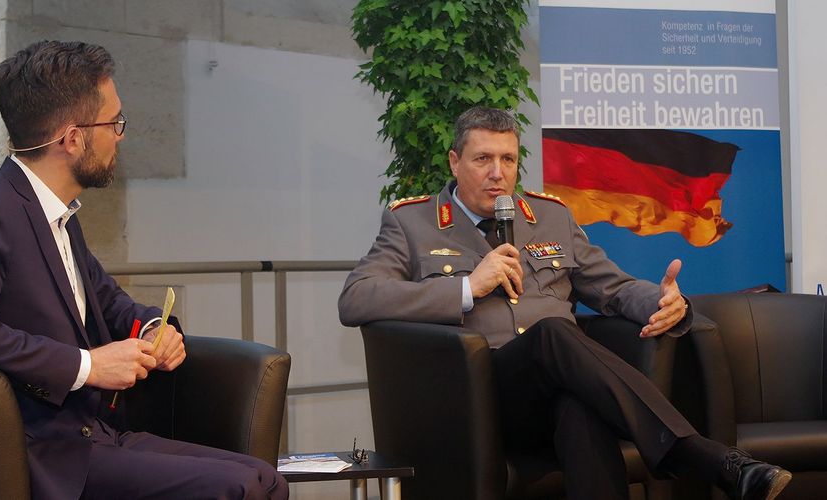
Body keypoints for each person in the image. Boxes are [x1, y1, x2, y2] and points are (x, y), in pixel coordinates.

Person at [339, 106, 791, 500]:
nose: (498, 173)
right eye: (483, 159)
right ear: (455, 162)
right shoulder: (412, 222)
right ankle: (702, 455)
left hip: (558, 387)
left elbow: (611, 287)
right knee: (554, 332)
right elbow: (356, 297)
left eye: (508, 159)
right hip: (478, 395)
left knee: (580, 411)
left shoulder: (550, 216)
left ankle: (704, 459)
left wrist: (665, 301)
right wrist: (466, 288)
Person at [0, 40, 287, 500]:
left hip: (96, 434)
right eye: (114, 122)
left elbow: (110, 302)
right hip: (46, 454)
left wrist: (154, 329)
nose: (120, 134)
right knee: (240, 485)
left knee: (267, 479)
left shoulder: (58, 215)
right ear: (72, 137)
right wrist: (88, 365)